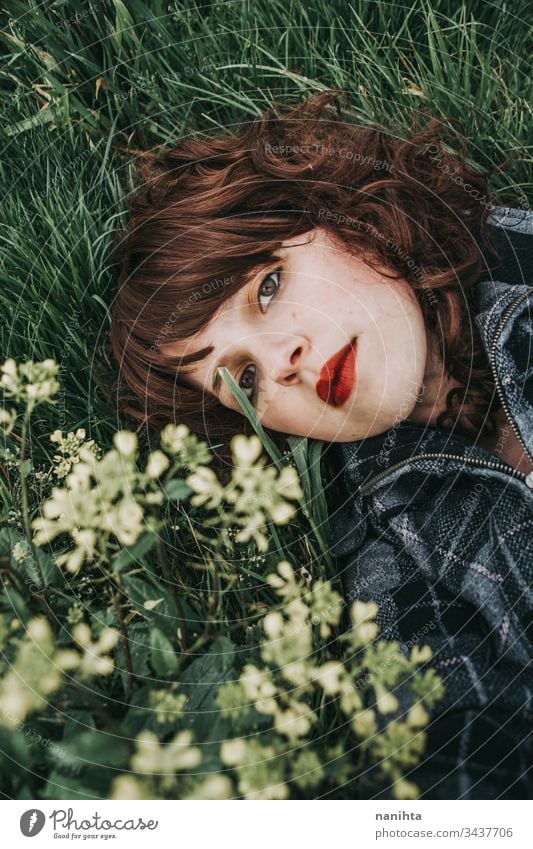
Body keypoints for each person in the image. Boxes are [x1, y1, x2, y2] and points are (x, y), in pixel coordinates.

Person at [108, 90, 532, 798]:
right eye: (241, 376)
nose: (278, 362)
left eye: (268, 287)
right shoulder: (397, 559)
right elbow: (449, 755)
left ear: (345, 219)